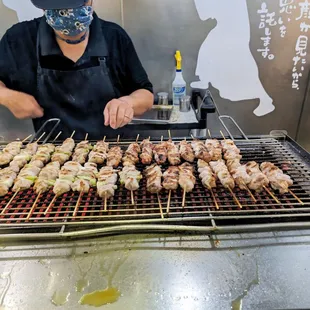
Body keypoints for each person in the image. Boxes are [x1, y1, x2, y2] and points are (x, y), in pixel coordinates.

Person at [0, 0, 154, 140]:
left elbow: (145, 94)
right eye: (59, 9)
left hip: (111, 150)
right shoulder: (19, 40)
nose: (68, 15)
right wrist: (7, 96)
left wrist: (128, 102)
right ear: (43, 7)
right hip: (53, 158)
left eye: (76, 6)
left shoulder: (114, 37)